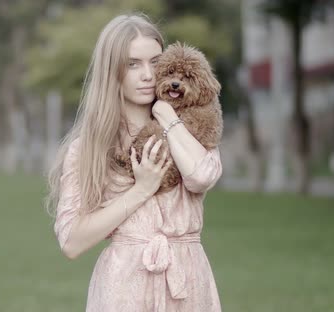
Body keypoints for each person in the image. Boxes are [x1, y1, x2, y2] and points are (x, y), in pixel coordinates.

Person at [46, 13, 223, 312]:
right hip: (123, 290)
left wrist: (167, 117)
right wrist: (141, 190)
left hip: (188, 285)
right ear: (111, 72)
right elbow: (71, 242)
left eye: (155, 62)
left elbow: (202, 176)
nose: (147, 75)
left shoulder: (195, 123)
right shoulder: (90, 147)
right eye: (132, 64)